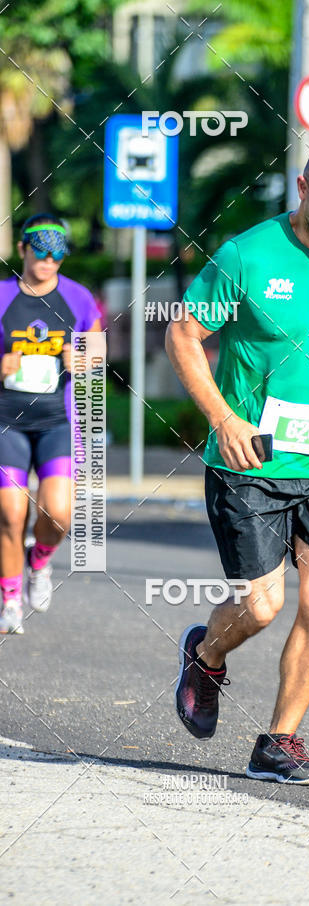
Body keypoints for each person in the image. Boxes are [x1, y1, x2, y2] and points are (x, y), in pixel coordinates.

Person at [166, 141, 309, 784]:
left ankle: (280, 740)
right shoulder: (247, 254)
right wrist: (224, 419)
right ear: (302, 187)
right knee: (264, 606)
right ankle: (206, 654)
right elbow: (183, 334)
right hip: (250, 462)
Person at [0, 214, 101, 633]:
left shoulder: (78, 299)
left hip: (58, 422)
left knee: (59, 514)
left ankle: (39, 559)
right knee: (10, 512)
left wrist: (84, 362)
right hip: (7, 421)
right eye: (40, 249)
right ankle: (9, 598)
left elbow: (96, 356)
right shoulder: (4, 296)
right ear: (22, 249)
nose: (49, 258)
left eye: (58, 251)